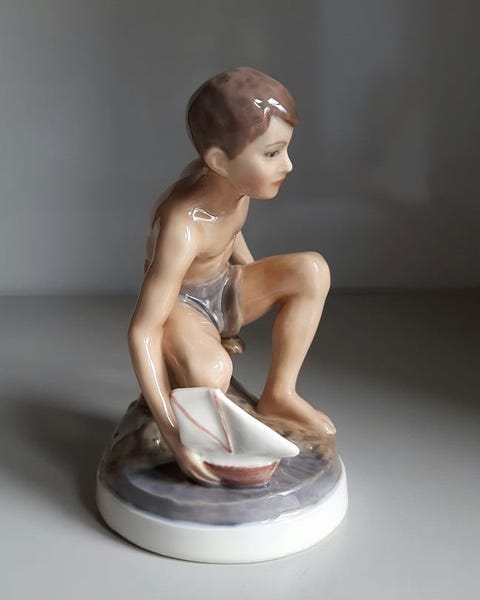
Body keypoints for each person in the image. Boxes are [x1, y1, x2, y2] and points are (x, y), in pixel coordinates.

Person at [128, 67, 334, 485]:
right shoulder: (183, 226)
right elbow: (142, 331)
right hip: (184, 307)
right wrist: (174, 434)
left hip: (223, 288)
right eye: (272, 154)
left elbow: (231, 232)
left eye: (285, 150)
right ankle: (187, 394)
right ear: (219, 161)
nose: (288, 165)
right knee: (212, 375)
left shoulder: (236, 184)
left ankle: (280, 393)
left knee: (311, 270)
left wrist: (247, 289)